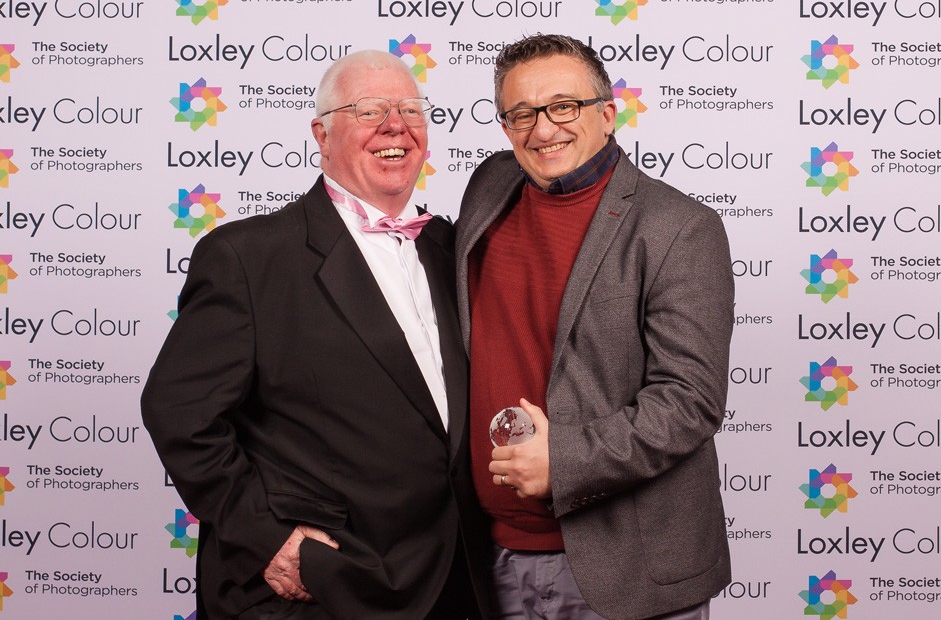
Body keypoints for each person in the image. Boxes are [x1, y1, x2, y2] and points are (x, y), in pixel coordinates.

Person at [142, 50, 489, 620]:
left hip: (452, 583)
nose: (394, 125)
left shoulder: (451, 249)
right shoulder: (248, 256)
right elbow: (178, 412)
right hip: (316, 585)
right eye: (370, 109)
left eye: (409, 109)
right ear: (321, 135)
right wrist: (267, 537)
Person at [456, 34, 735, 620]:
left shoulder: (678, 228)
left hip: (628, 571)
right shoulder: (490, 188)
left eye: (563, 106)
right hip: (487, 560)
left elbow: (689, 402)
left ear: (607, 114)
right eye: (521, 114)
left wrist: (565, 460)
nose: (542, 129)